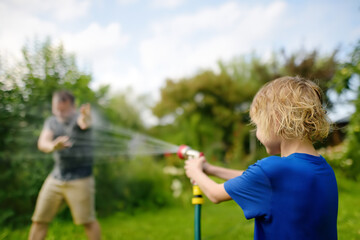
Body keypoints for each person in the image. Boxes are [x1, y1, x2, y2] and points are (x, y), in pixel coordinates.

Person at [184, 76, 338, 240]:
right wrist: (210, 169)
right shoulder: (323, 168)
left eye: (257, 125)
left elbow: (215, 194)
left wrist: (195, 172)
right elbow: (256, 178)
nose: (257, 134)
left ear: (276, 120)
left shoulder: (272, 169)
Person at [29, 90, 101, 240]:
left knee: (87, 221)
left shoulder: (78, 118)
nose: (60, 113)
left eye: (64, 109)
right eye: (57, 109)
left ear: (73, 107)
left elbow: (84, 122)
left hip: (81, 178)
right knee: (39, 220)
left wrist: (86, 117)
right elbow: (43, 142)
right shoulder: (51, 122)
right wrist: (53, 146)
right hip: (56, 177)